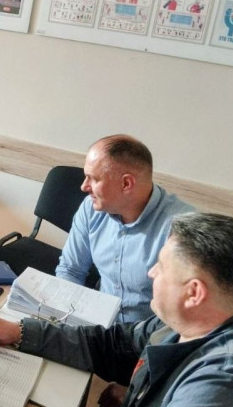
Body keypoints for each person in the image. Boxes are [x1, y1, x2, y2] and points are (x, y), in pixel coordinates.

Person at [0, 212, 233, 407]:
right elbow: (113, 345)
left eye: (162, 266)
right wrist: (22, 332)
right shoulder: (192, 321)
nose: (152, 273)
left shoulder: (224, 390)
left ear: (194, 292)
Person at [56, 135, 194, 324]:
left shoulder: (182, 229)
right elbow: (70, 270)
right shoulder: (91, 208)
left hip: (146, 336)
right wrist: (70, 320)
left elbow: (183, 312)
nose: (84, 186)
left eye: (93, 179)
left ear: (126, 183)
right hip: (94, 325)